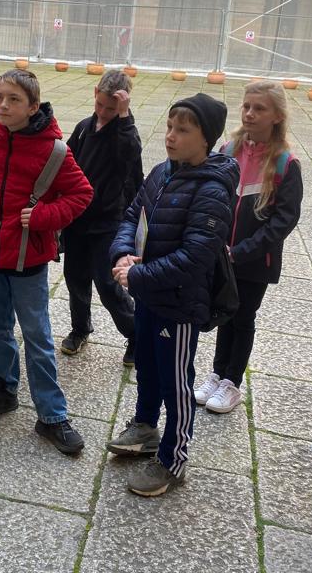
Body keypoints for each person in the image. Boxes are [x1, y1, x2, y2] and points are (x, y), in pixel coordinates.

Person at [107, 94, 238, 497]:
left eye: (182, 130)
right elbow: (133, 215)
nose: (170, 136)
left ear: (207, 138)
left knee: (175, 383)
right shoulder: (162, 172)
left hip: (178, 305)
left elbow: (195, 257)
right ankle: (145, 426)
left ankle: (172, 459)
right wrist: (122, 253)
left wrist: (138, 275)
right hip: (148, 295)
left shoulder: (212, 189)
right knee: (146, 367)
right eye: (169, 127)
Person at [0, 69, 93, 454]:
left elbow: (81, 194)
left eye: (14, 99)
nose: (3, 105)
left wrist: (44, 216)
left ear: (33, 107)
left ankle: (52, 415)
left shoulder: (55, 151)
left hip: (27, 261)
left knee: (37, 337)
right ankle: (3, 389)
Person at [195, 80, 303, 414]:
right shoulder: (228, 151)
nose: (250, 113)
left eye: (259, 108)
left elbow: (283, 221)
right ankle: (217, 373)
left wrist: (241, 251)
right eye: (246, 106)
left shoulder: (285, 163)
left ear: (277, 116)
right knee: (223, 313)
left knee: (242, 316)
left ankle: (232, 382)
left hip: (255, 261)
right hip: (221, 255)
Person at [59, 70, 142, 365]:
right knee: (75, 278)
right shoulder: (84, 127)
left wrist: (125, 117)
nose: (104, 112)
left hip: (108, 221)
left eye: (112, 108)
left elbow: (130, 154)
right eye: (101, 105)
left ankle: (136, 334)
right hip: (78, 218)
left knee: (108, 283)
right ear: (95, 93)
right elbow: (65, 160)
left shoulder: (124, 131)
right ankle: (80, 328)